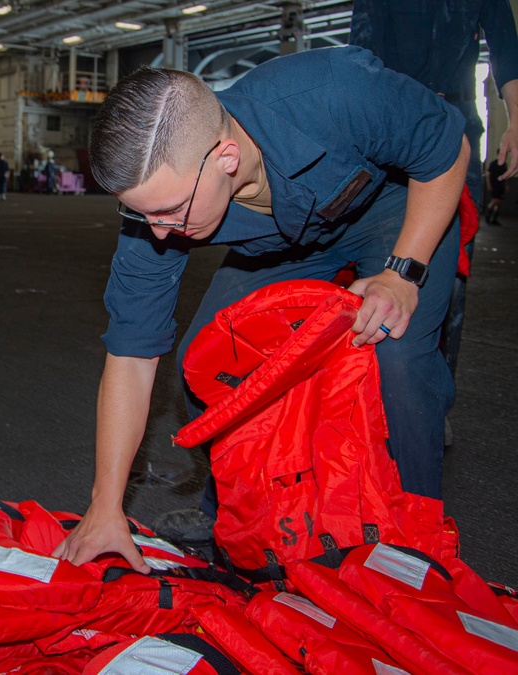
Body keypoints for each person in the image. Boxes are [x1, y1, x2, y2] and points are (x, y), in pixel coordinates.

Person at [52, 47, 469, 574]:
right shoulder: (155, 217)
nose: (157, 232)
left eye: (168, 211)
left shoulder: (333, 92)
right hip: (286, 245)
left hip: (395, 210)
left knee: (399, 360)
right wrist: (105, 506)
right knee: (207, 362)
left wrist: (403, 272)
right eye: (139, 213)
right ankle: (238, 516)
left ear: (226, 157)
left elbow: (445, 147)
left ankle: (415, 547)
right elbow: (132, 357)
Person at [350, 0, 518, 379]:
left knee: (453, 272)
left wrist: (516, 119)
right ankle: (370, 391)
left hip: (459, 130)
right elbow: (360, 54)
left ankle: (434, 390)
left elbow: (506, 45)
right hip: (392, 130)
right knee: (381, 264)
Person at [485, 152, 507, 224]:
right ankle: (487, 216)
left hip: (501, 186)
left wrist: (506, 184)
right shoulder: (493, 164)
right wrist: (489, 185)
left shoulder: (504, 164)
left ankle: (494, 219)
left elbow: (505, 175)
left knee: (499, 203)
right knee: (495, 201)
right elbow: (488, 175)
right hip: (494, 185)